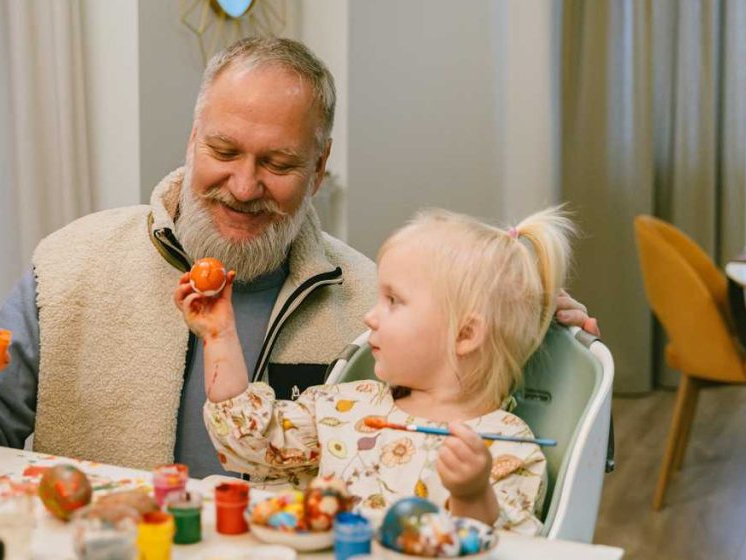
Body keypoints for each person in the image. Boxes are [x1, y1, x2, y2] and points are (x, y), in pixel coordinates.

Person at [0, 37, 595, 479]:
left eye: (278, 163)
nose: (245, 186)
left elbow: (493, 415)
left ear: (319, 170)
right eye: (223, 151)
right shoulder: (71, 264)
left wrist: (529, 321)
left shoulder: (371, 304)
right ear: (191, 140)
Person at [178, 207, 576, 534]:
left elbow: (509, 548)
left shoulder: (509, 448)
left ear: (465, 334)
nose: (370, 317)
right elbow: (251, 440)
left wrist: (473, 496)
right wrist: (219, 336)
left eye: (393, 301)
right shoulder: (349, 406)